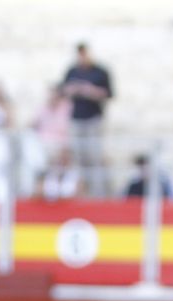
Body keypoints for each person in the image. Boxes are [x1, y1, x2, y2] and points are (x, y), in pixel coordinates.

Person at [61, 42, 112, 197]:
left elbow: (108, 94)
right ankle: (82, 192)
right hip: (77, 119)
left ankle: (98, 193)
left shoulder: (100, 72)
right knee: (79, 158)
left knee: (94, 157)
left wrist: (90, 91)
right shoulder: (72, 71)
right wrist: (74, 89)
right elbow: (63, 90)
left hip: (93, 119)